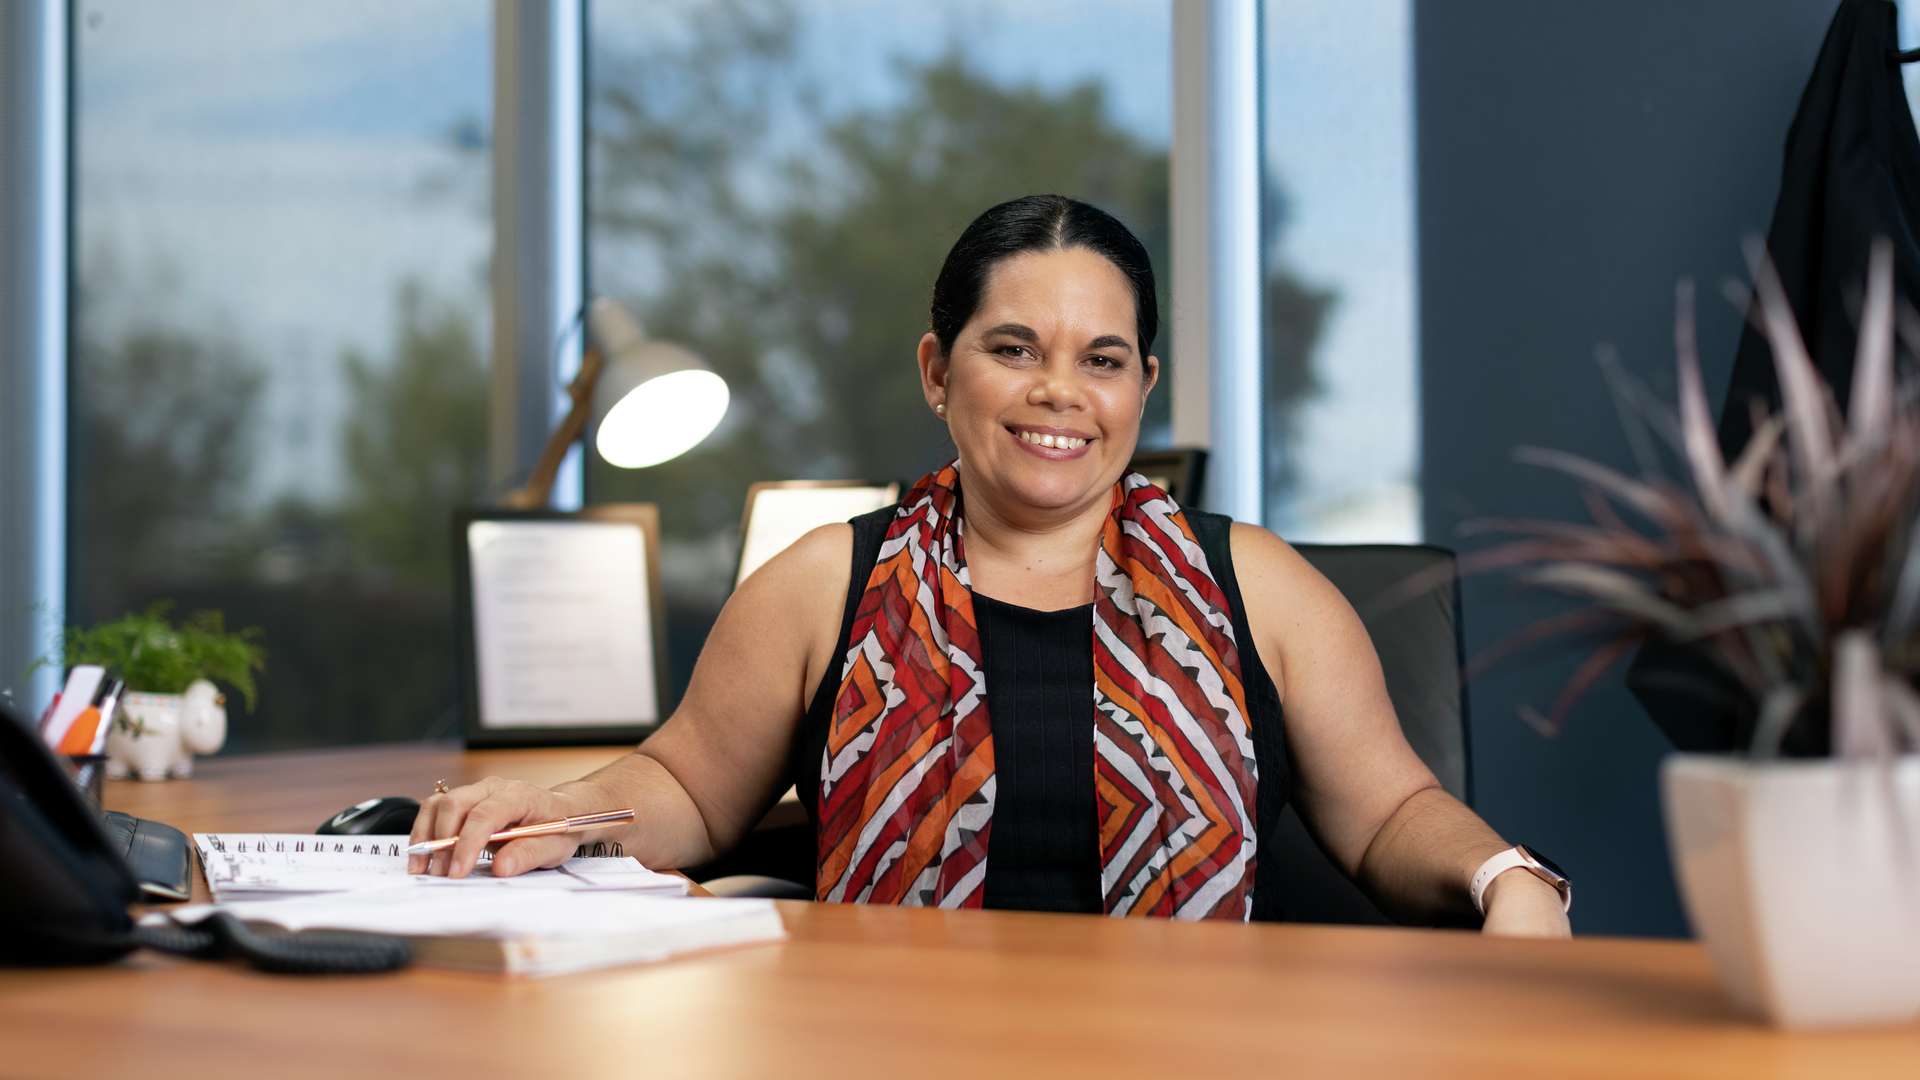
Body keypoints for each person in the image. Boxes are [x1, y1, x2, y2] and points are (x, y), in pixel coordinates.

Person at [414, 194, 1572, 937]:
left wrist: (1501, 877)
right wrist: (555, 812)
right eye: (1011, 349)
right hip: (892, 1051)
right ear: (937, 369)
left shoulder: (1256, 586)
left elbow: (1390, 815)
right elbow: (688, 787)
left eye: (1101, 359)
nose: (1059, 392)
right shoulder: (827, 582)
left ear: (1142, 389)